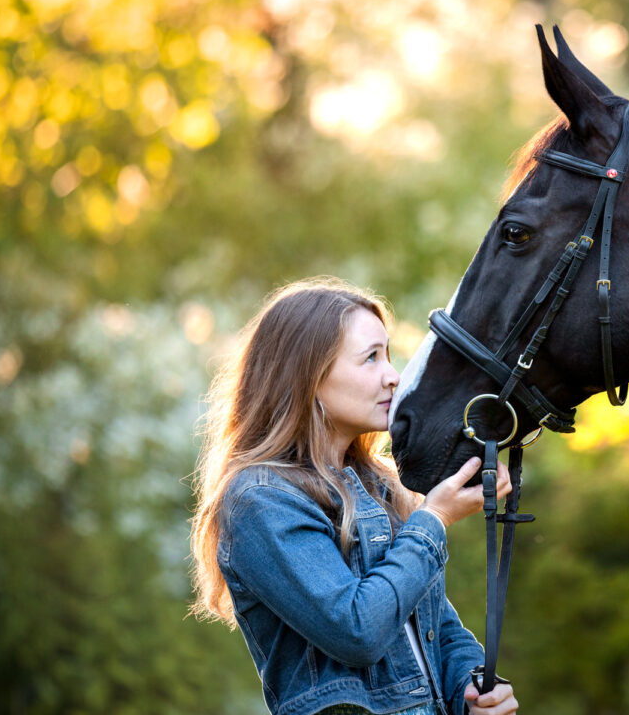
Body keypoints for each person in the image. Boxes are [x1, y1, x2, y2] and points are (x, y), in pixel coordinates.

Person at [190, 277, 519, 715]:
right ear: (307, 377)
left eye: (388, 355)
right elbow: (357, 630)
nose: (393, 377)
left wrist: (470, 685)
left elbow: (435, 626)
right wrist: (434, 519)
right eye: (370, 358)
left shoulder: (378, 485)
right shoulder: (260, 499)